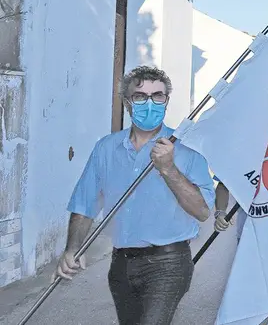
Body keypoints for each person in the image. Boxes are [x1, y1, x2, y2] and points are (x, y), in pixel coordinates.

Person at [59, 66, 215, 325]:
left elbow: (201, 211)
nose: (150, 103)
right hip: (121, 264)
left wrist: (169, 169)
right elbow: (85, 202)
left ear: (166, 101)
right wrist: (72, 248)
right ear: (128, 102)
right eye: (141, 96)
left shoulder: (187, 150)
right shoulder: (106, 148)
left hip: (168, 263)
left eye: (158, 96)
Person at [213, 183, 268, 325]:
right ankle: (245, 314)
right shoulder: (240, 159)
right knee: (248, 276)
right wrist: (220, 212)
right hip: (248, 230)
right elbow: (223, 184)